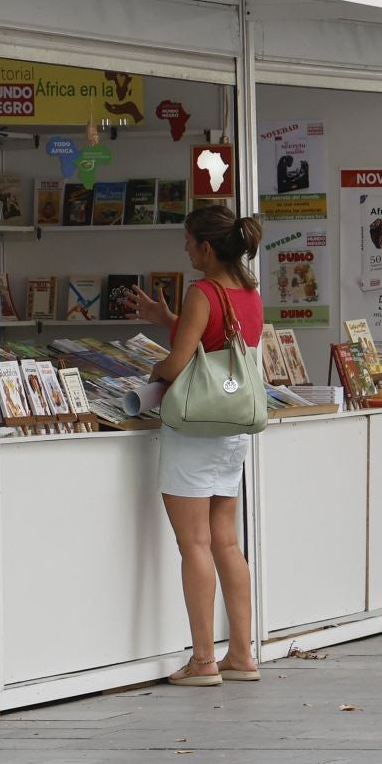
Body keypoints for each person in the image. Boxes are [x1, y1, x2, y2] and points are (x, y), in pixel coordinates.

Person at [125, 203, 266, 687]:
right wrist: (169, 318)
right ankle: (243, 653)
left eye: (188, 241)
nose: (184, 248)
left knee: (195, 545)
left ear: (206, 247)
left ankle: (203, 660)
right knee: (226, 540)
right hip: (230, 431)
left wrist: (152, 372)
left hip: (193, 434)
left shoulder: (202, 292)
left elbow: (180, 362)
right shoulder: (249, 292)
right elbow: (218, 350)